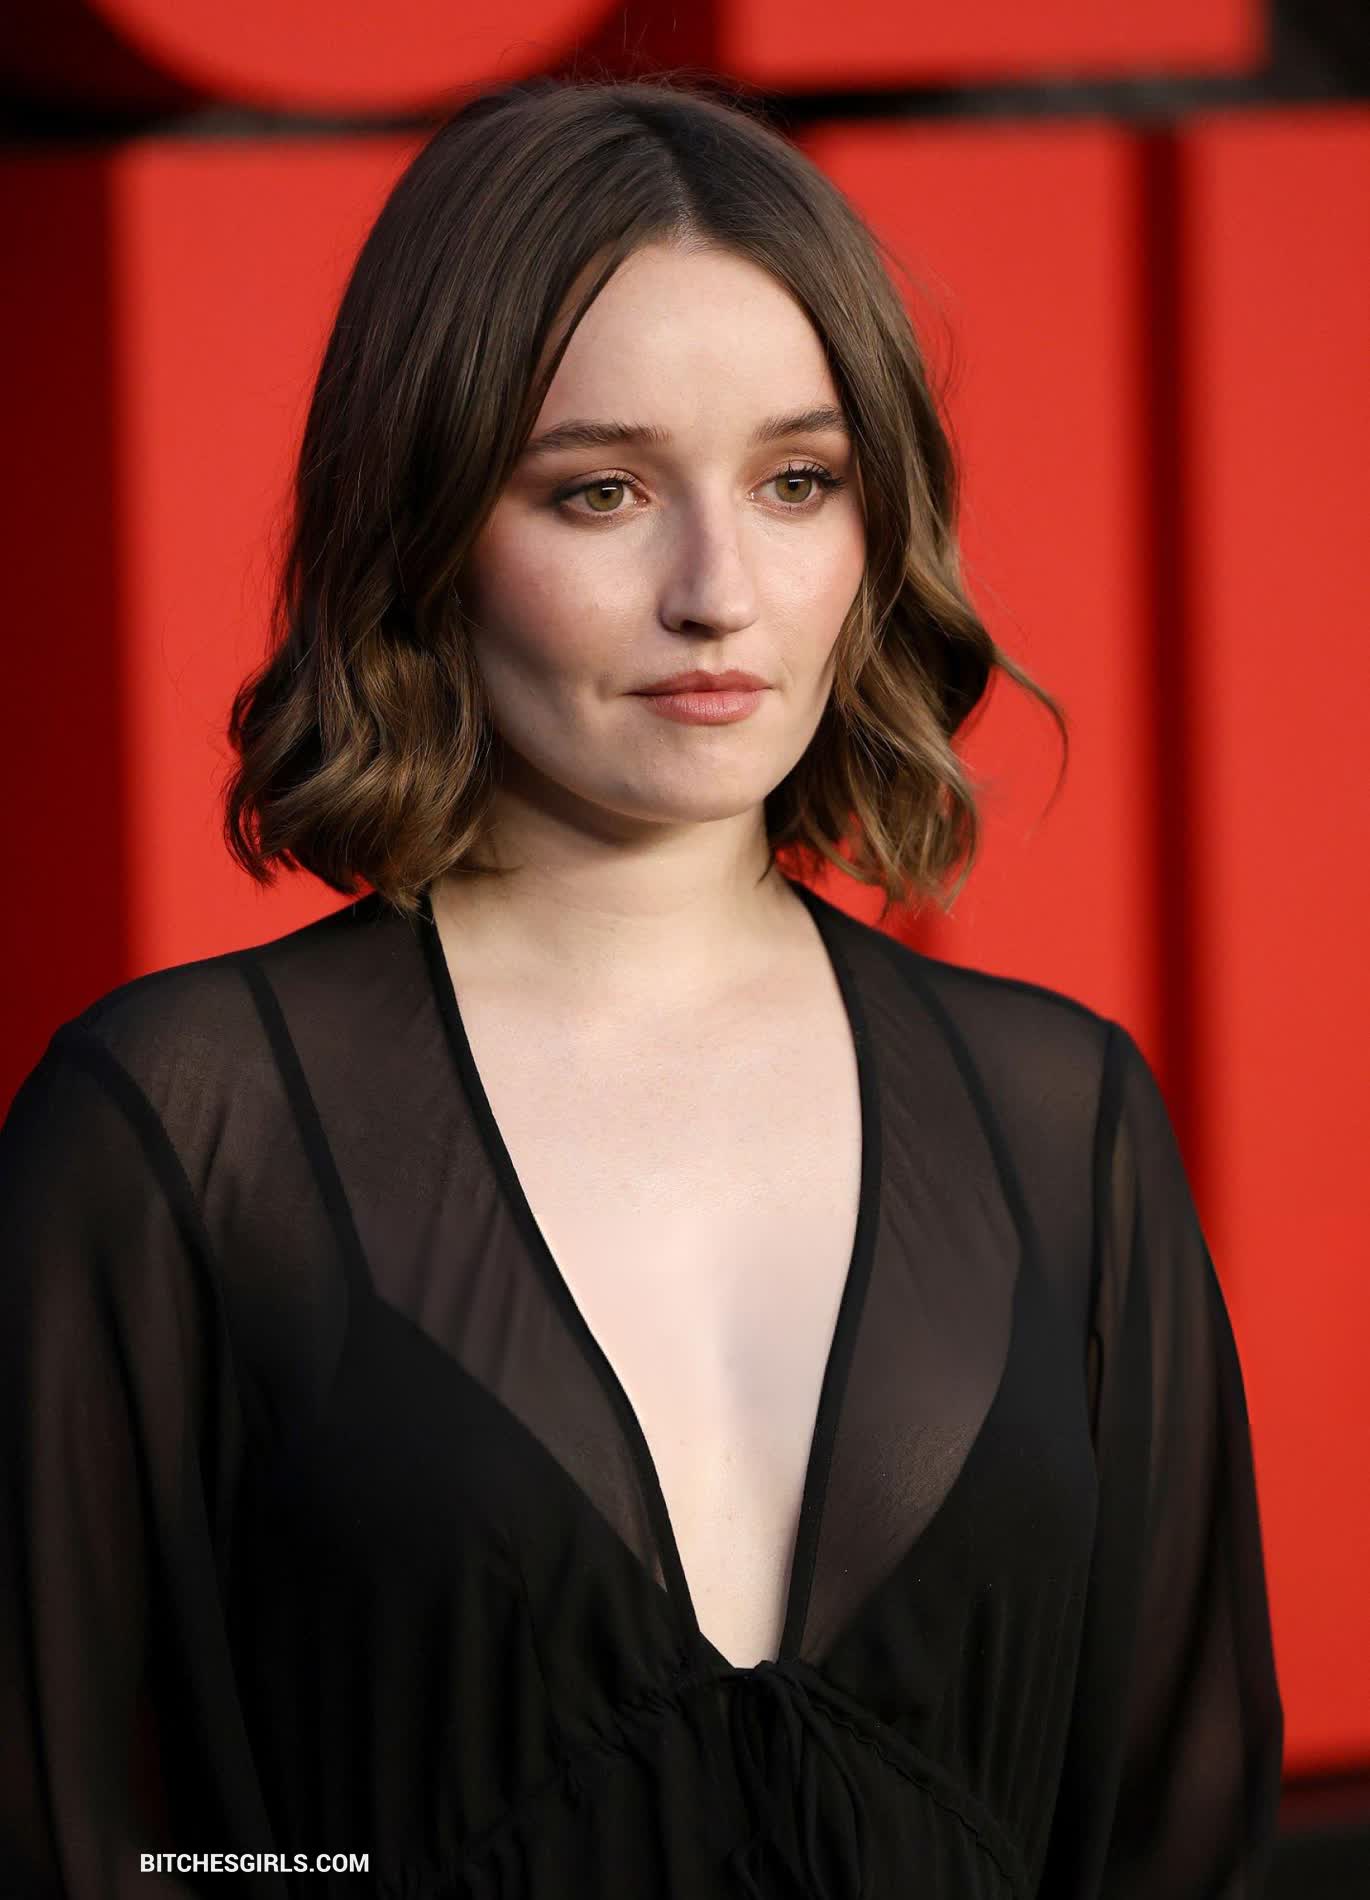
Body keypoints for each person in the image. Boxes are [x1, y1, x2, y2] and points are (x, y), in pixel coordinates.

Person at [0, 72, 1283, 1900]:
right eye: (597, 492)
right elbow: (71, 1842)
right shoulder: (183, 1134)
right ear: (428, 520)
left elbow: (1173, 1840)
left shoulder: (1059, 1119)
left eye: (796, 482)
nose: (717, 590)